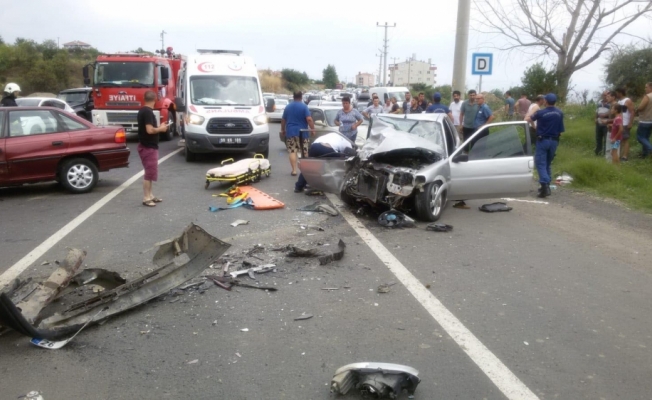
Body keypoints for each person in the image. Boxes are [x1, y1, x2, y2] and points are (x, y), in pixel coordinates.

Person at [526, 93, 564, 198]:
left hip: (543, 140)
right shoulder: (560, 113)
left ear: (545, 101)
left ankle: (545, 185)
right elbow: (561, 131)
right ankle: (546, 185)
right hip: (554, 141)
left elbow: (527, 119)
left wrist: (532, 111)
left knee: (540, 163)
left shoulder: (541, 112)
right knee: (547, 163)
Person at [137, 90, 169, 207]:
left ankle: (150, 195)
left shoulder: (143, 111)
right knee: (149, 173)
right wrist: (161, 128)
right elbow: (150, 130)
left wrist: (159, 127)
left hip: (147, 146)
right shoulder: (147, 112)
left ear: (144, 99)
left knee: (150, 172)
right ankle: (146, 198)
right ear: (155, 100)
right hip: (148, 147)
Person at [281, 91, 315, 176]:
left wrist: (283, 130)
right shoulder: (304, 107)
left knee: (292, 151)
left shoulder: (288, 107)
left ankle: (294, 170)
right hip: (303, 132)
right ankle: (305, 170)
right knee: (304, 151)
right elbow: (309, 119)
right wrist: (312, 129)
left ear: (293, 97)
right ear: (301, 97)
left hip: (291, 132)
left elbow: (283, 120)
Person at [615, 87, 634, 161]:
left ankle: (625, 156)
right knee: (619, 139)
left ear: (620, 92)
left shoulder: (627, 100)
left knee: (625, 140)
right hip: (619, 123)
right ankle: (618, 154)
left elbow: (632, 112)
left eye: (617, 92)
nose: (616, 94)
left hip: (625, 123)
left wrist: (630, 122)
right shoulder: (619, 101)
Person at [635, 82, 652, 158]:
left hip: (645, 120)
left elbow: (641, 107)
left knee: (640, 137)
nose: (645, 89)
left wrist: (636, 109)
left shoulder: (647, 96)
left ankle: (650, 149)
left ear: (650, 87)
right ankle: (645, 154)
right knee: (646, 137)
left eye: (646, 87)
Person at [594, 91, 611, 156]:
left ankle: (605, 153)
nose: (605, 97)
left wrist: (605, 115)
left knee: (606, 139)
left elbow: (612, 113)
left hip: (606, 123)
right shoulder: (599, 103)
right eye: (603, 95)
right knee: (598, 138)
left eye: (606, 95)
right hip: (599, 123)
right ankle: (598, 152)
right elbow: (596, 112)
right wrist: (595, 119)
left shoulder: (610, 104)